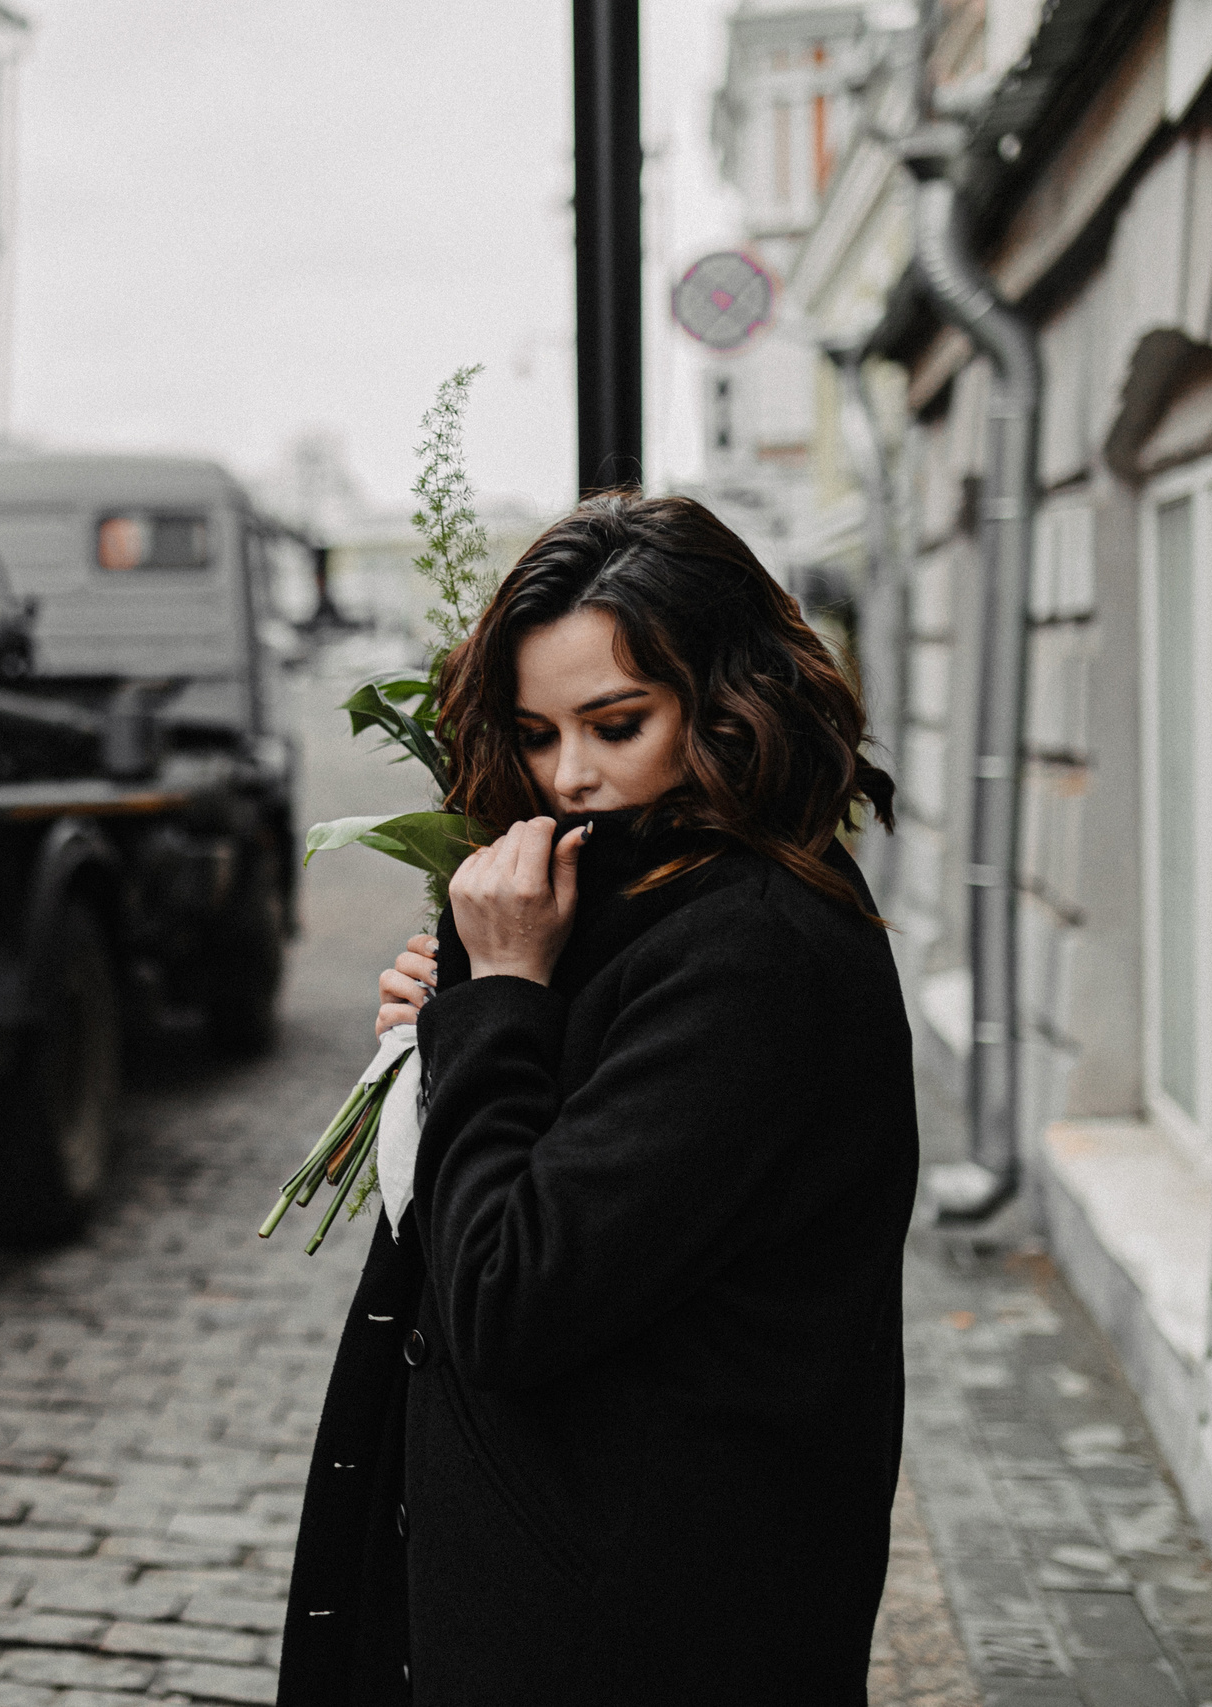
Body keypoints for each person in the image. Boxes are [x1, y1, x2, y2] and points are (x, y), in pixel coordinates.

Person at [277, 492, 915, 1705]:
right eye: (533, 734)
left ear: (728, 700)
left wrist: (500, 1002)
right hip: (565, 1582)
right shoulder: (634, 903)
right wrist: (457, 1018)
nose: (569, 776)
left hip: (643, 1625)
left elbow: (509, 1296)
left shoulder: (752, 952)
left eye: (616, 725)